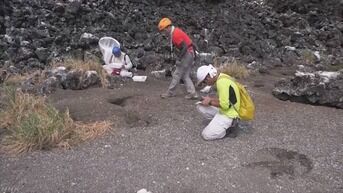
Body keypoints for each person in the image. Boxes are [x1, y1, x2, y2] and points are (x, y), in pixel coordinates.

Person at [196, 64, 240, 140]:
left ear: (208, 77)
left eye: (204, 82)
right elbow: (225, 99)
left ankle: (230, 127)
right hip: (230, 108)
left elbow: (225, 105)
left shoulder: (221, 83)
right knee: (200, 106)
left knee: (206, 135)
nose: (205, 84)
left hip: (230, 113)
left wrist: (209, 102)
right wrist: (210, 99)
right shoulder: (222, 77)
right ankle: (218, 123)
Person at [158, 17, 198, 100]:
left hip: (187, 53)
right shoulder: (175, 31)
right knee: (185, 75)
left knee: (177, 74)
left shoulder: (175, 34)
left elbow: (184, 47)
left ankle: (170, 93)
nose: (163, 33)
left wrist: (179, 59)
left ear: (168, 27)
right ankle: (193, 93)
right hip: (191, 52)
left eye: (164, 30)